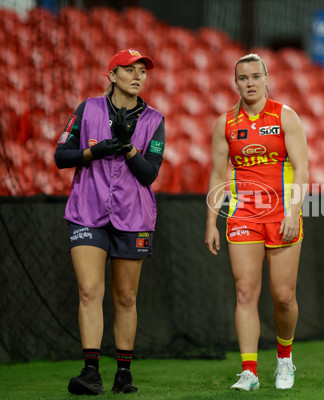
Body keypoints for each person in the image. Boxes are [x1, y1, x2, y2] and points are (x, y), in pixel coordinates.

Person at [54, 48, 166, 395]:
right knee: (89, 290)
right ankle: (91, 372)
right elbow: (61, 156)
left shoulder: (154, 119)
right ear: (111, 76)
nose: (137, 76)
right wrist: (93, 151)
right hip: (87, 211)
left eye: (142, 71)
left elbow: (149, 174)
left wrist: (127, 147)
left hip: (133, 215)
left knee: (126, 297)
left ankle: (124, 374)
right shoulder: (88, 109)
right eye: (129, 70)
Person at [205, 53, 309, 391]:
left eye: (255, 76)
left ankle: (284, 359)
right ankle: (249, 371)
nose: (249, 83)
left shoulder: (285, 116)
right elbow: (218, 174)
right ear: (235, 83)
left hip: (281, 215)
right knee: (245, 292)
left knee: (283, 297)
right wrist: (211, 223)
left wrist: (294, 213)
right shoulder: (225, 123)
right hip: (242, 215)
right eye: (243, 78)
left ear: (266, 79)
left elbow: (303, 169)